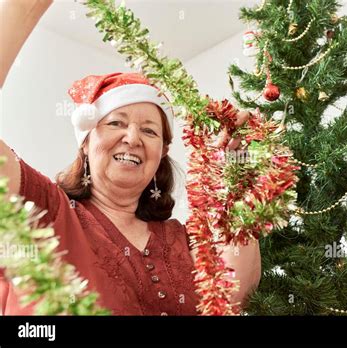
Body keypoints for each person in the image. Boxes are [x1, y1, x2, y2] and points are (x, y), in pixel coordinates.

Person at [0, 0, 261, 315]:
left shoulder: (183, 238)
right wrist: (21, 9)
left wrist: (238, 169)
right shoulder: (47, 209)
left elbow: (235, 297)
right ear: (85, 143)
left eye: (150, 132)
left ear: (160, 155)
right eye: (116, 123)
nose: (133, 138)